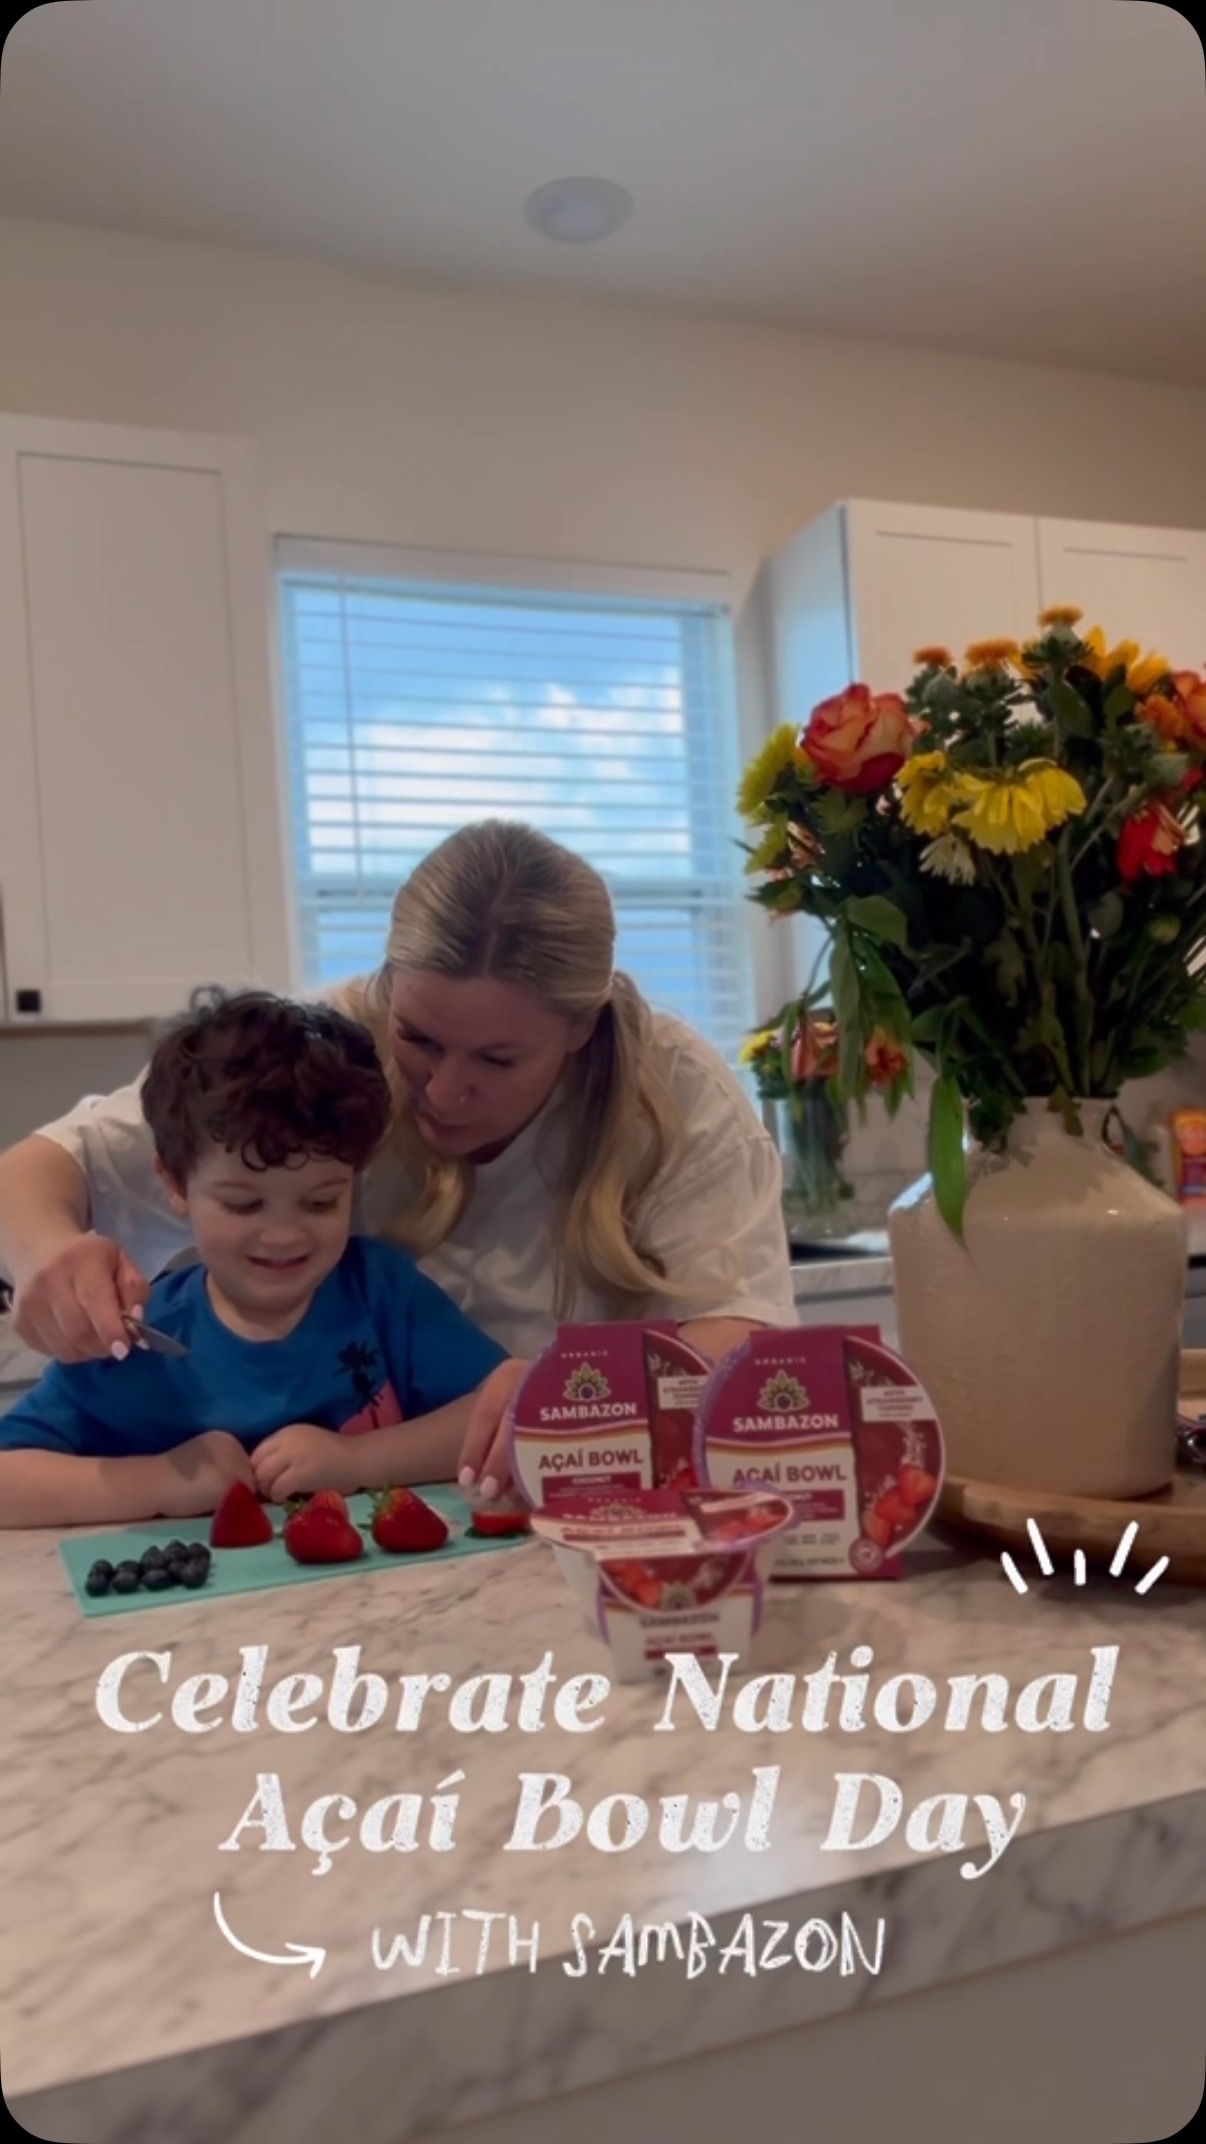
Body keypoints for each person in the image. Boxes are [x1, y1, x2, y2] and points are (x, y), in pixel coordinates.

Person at [0, 821, 795, 1498]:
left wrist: (587, 1393)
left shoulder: (675, 1096)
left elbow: (743, 1342)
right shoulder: (324, 1058)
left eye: (497, 1059)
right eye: (418, 1039)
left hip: (594, 1500)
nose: (444, 1091)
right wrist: (47, 1253)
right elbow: (44, 1166)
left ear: (580, 1030)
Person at [0, 992, 508, 1527]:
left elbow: (504, 1413)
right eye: (244, 1204)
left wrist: (359, 1460)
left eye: (321, 1201)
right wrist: (158, 1482)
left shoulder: (383, 1292)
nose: (284, 1235)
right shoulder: (138, 1337)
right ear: (175, 1184)